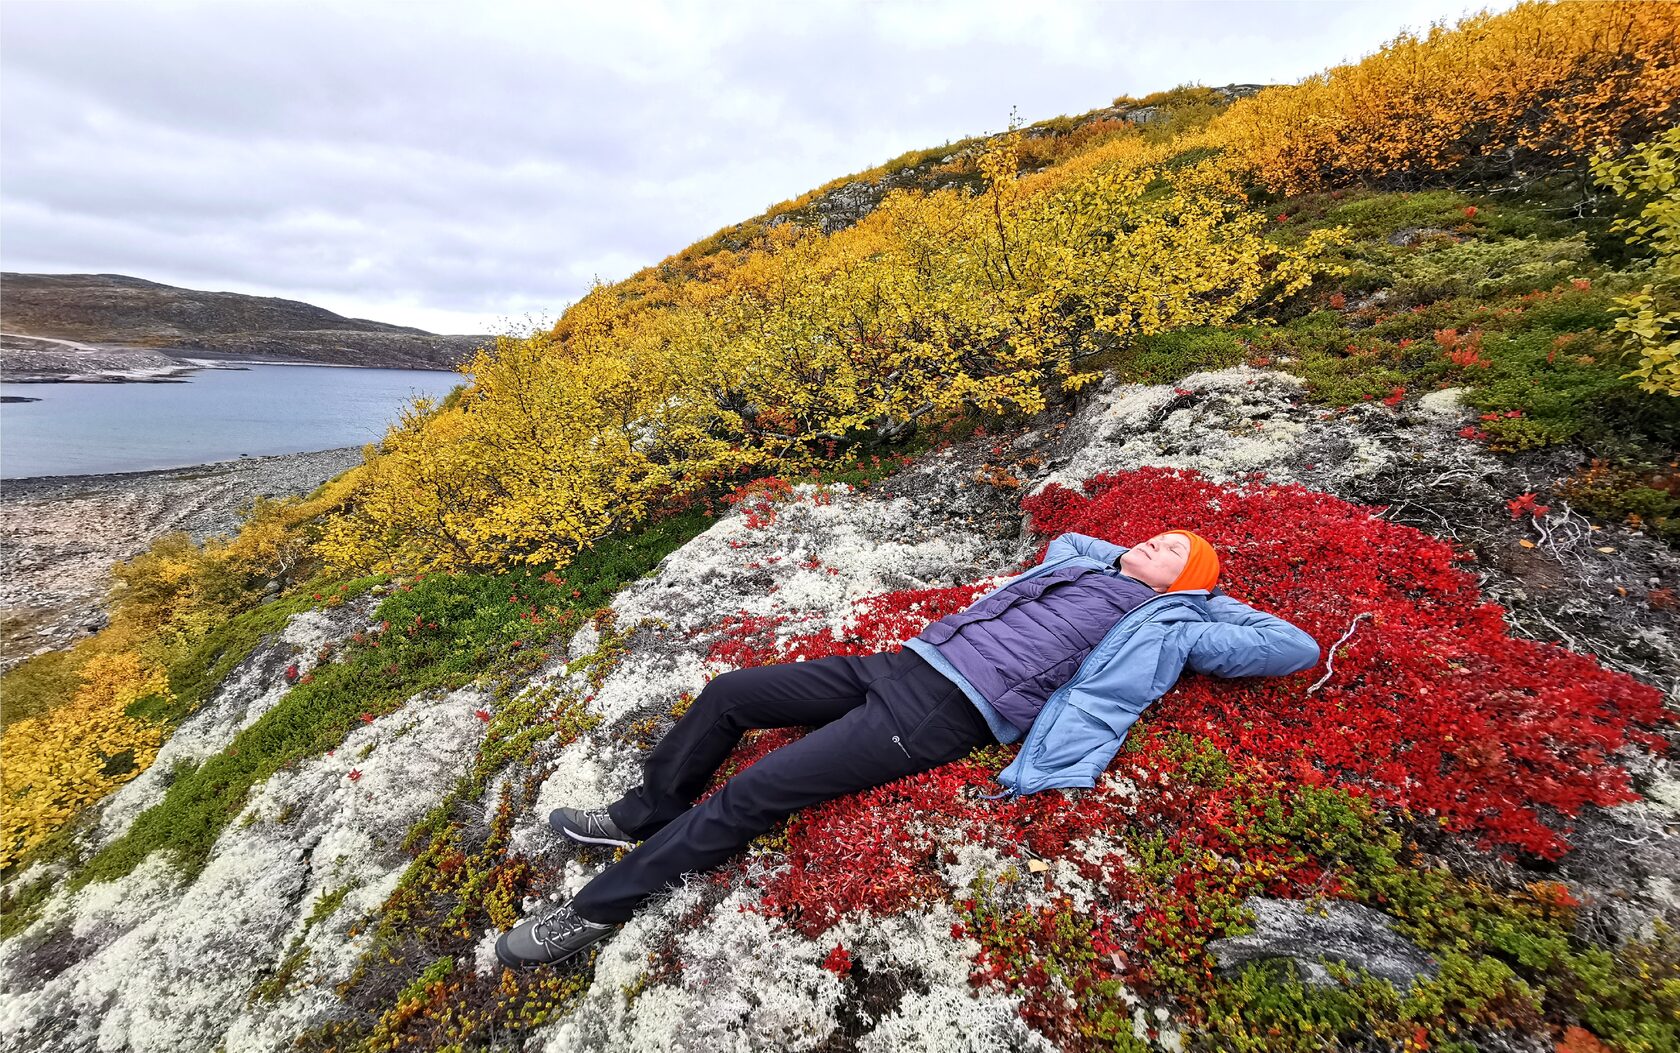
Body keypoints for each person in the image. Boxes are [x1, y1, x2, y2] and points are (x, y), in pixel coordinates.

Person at [496, 528, 1320, 969]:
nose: (1149, 543)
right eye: (1153, 535)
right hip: (903, 661)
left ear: (1190, 583)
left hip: (946, 713)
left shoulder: (1172, 619)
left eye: (1172, 548)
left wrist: (1196, 593)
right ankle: (645, 808)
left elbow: (1291, 645)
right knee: (730, 693)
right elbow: (1070, 540)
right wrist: (1134, 561)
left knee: (752, 796)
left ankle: (594, 911)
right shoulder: (1085, 566)